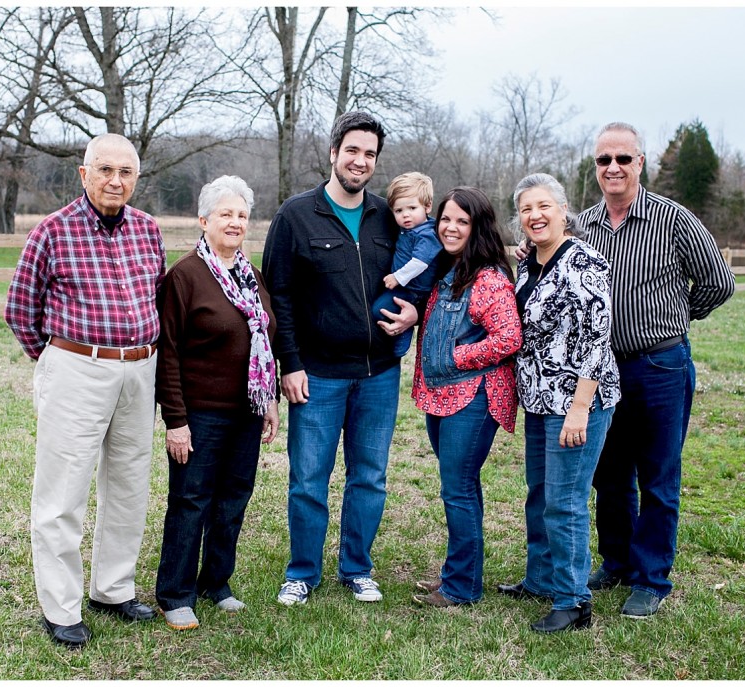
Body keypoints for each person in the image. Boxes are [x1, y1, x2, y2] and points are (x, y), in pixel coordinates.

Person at [515, 122, 735, 617]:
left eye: (622, 159)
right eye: (603, 160)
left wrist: (674, 316)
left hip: (659, 364)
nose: (612, 167)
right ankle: (615, 560)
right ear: (595, 168)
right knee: (607, 477)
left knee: (657, 475)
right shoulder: (585, 223)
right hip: (600, 374)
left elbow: (719, 283)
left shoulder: (673, 219)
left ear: (640, 163)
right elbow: (553, 265)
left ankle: (651, 578)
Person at [5, 133, 165, 649]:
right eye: (105, 170)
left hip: (140, 370)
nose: (116, 180)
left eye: (126, 172)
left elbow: (157, 297)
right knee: (63, 491)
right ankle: (61, 606)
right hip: (77, 366)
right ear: (84, 173)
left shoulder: (148, 230)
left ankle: (113, 589)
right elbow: (19, 310)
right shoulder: (52, 232)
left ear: (136, 178)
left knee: (129, 484)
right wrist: (59, 360)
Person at [261, 111, 418, 606]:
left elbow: (422, 270)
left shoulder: (385, 218)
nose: (360, 161)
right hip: (318, 374)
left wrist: (414, 313)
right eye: (352, 150)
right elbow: (277, 296)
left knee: (369, 475)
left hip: (377, 375)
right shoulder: (296, 215)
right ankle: (302, 572)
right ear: (333, 154)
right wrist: (291, 363)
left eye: (370, 154)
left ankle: (357, 568)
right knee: (308, 478)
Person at [154, 175, 279, 631]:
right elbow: (167, 352)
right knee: (191, 501)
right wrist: (176, 420)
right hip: (199, 414)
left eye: (242, 215)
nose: (235, 222)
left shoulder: (251, 275)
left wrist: (269, 400)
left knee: (232, 501)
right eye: (225, 214)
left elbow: (267, 339)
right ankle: (175, 592)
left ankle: (216, 583)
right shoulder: (185, 276)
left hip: (245, 411)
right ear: (203, 220)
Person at [497, 173, 620, 633]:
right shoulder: (530, 264)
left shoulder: (585, 262)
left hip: (578, 401)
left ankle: (573, 602)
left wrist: (580, 407)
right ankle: (542, 578)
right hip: (539, 400)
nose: (536, 215)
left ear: (563, 210)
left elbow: (597, 337)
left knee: (565, 501)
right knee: (541, 495)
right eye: (527, 209)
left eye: (544, 206)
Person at [410, 186, 522, 608]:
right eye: (446, 219)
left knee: (457, 488)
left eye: (462, 220)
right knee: (459, 487)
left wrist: (456, 356)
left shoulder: (489, 278)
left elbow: (509, 337)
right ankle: (458, 576)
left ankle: (461, 588)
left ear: (477, 228)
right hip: (442, 396)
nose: (451, 227)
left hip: (474, 398)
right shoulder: (444, 271)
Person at [370, 171, 443, 356]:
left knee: (379, 310)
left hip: (413, 289)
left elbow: (420, 263)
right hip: (403, 285)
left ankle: (404, 333)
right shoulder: (407, 229)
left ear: (427, 207)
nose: (405, 215)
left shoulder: (427, 234)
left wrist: (397, 277)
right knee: (377, 308)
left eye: (412, 208)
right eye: (399, 211)